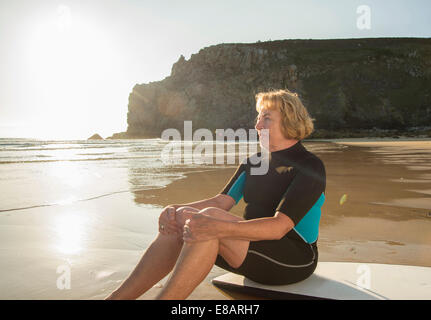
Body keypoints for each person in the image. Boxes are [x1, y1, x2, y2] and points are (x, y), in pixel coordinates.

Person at [105, 89, 326, 300]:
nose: (257, 125)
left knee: (208, 221)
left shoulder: (310, 166)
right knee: (182, 218)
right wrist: (174, 209)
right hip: (249, 248)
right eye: (258, 118)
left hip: (295, 260)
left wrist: (219, 226)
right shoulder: (253, 163)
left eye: (266, 118)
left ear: (289, 120)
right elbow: (222, 201)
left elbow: (280, 227)